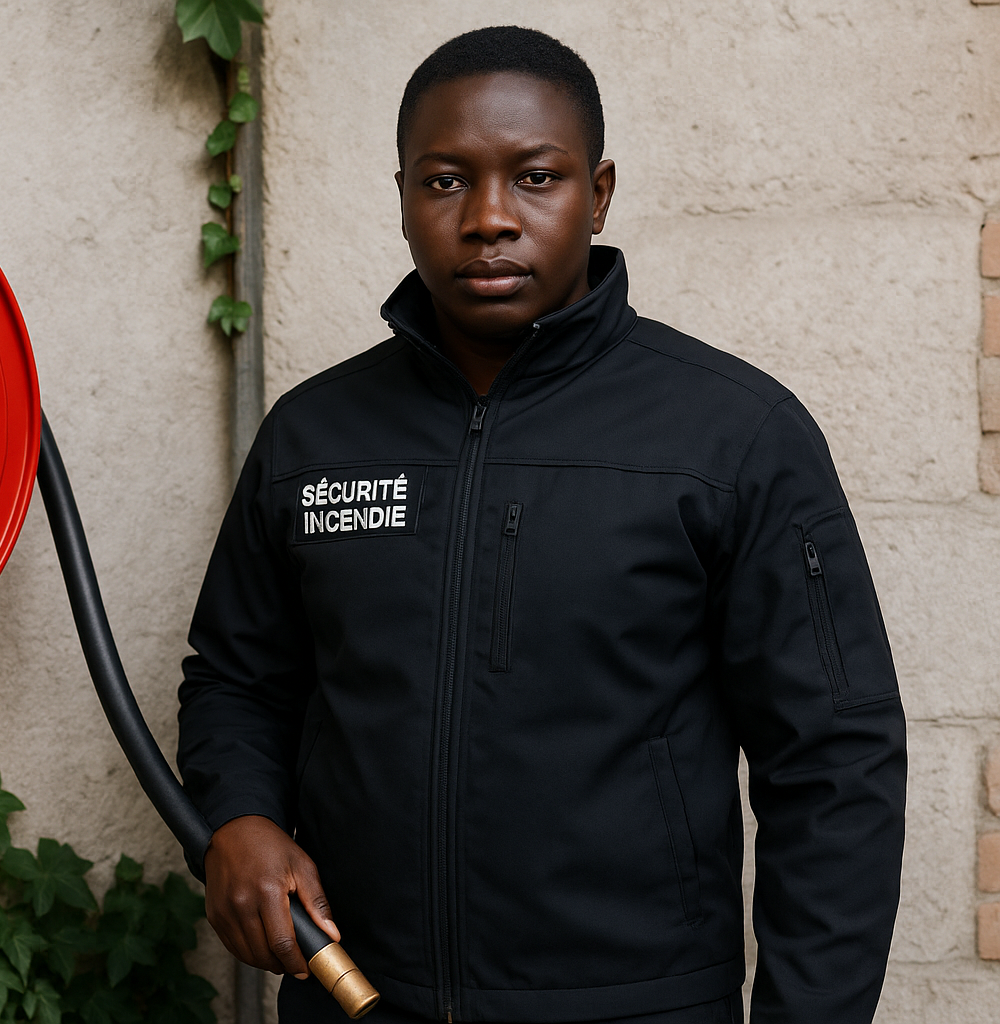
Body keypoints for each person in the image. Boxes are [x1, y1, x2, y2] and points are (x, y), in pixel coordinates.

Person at [176, 24, 906, 1024]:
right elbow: (237, 677)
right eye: (445, 182)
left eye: (535, 178)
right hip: (357, 996)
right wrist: (241, 813)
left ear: (597, 195)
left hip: (635, 1006)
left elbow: (835, 760)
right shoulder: (314, 436)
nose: (488, 218)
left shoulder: (734, 436)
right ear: (402, 196)